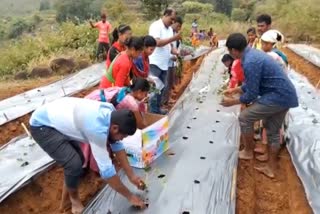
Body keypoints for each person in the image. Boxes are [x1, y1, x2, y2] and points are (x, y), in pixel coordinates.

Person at [29, 97, 147, 214]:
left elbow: (117, 145)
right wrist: (130, 197)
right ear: (115, 128)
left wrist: (132, 176)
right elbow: (107, 172)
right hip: (42, 126)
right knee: (74, 164)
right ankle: (74, 200)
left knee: (78, 161)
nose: (122, 139)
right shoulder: (97, 129)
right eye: (123, 136)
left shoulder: (111, 113)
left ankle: (65, 203)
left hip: (59, 119)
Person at [221, 33, 298, 178]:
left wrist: (232, 101)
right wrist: (235, 89)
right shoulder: (251, 55)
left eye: (229, 51)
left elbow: (251, 94)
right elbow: (252, 82)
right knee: (272, 130)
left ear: (234, 50)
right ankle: (271, 166)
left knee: (245, 117)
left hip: (277, 96)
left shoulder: (250, 61)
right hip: (283, 94)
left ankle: (248, 152)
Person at [81, 78, 151, 173]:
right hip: (91, 108)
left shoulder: (126, 91)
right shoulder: (131, 103)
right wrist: (151, 132)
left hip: (92, 99)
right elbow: (140, 124)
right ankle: (96, 168)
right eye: (145, 94)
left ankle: (89, 161)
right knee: (98, 139)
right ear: (139, 91)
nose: (145, 96)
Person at [148, 8, 181, 114]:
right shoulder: (156, 26)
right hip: (155, 63)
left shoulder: (170, 30)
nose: (172, 22)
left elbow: (170, 47)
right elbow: (157, 42)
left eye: (174, 20)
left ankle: (157, 108)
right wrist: (174, 38)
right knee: (154, 89)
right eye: (171, 19)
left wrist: (177, 52)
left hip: (164, 64)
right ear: (165, 15)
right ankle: (152, 111)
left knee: (161, 89)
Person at [164, 16, 184, 106]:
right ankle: (164, 101)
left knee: (170, 81)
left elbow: (174, 47)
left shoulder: (174, 33)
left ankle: (168, 98)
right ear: (174, 22)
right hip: (167, 61)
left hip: (172, 60)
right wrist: (172, 55)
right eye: (178, 25)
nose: (178, 28)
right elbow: (167, 47)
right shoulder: (168, 33)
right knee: (166, 82)